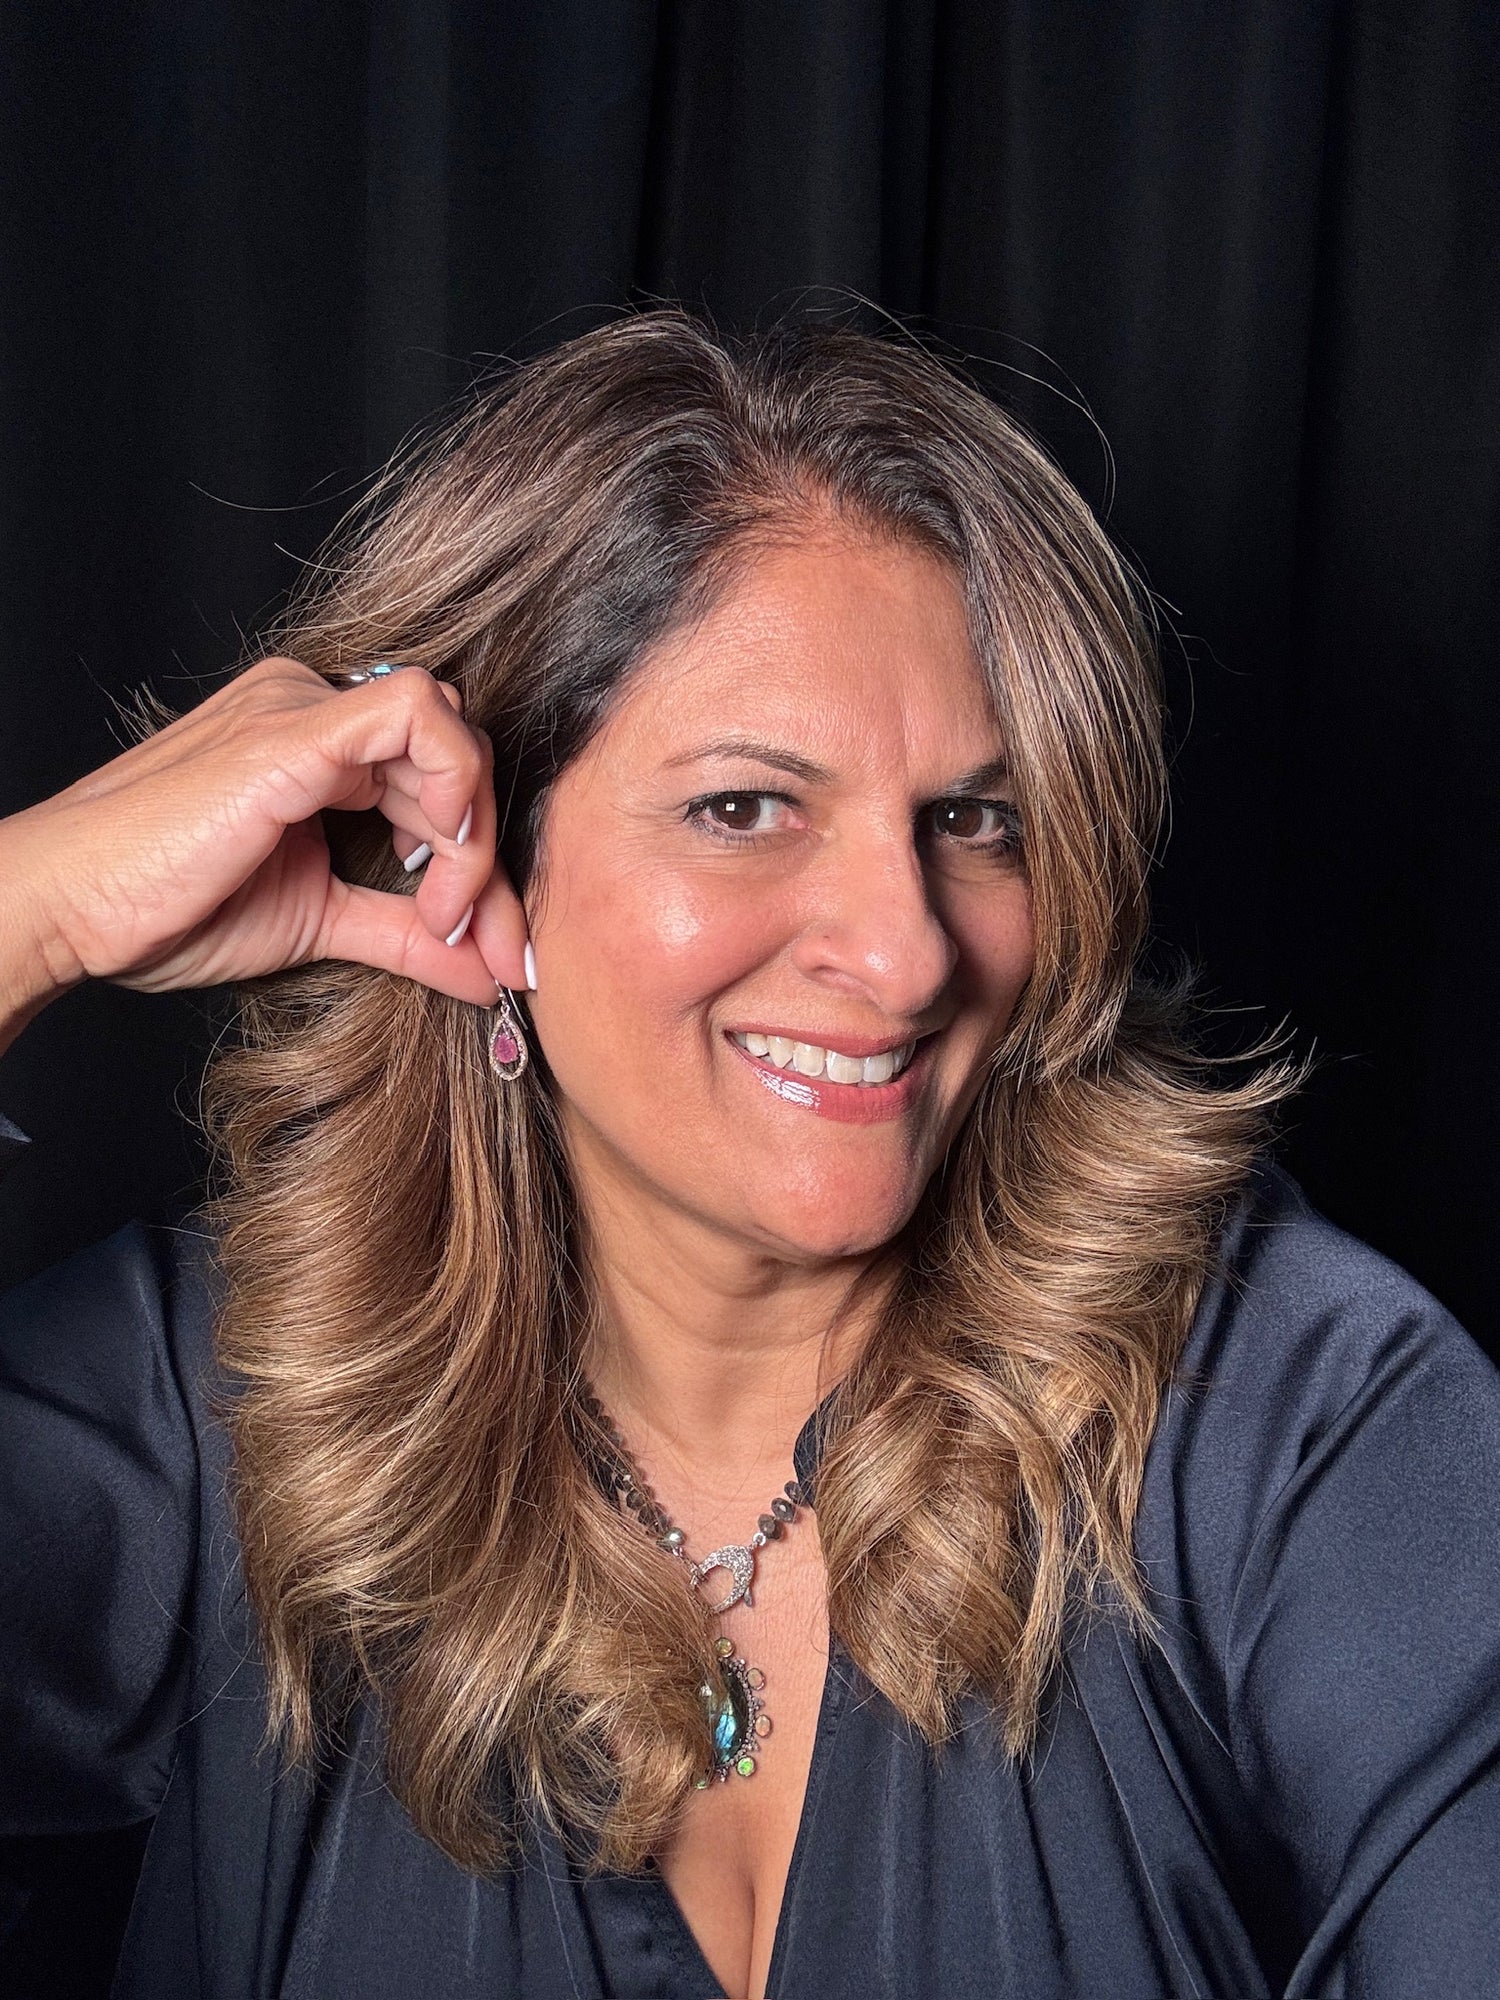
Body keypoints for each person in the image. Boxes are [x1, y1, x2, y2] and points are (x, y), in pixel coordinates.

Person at [0, 311, 1495, 2000]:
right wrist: (27, 911)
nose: (909, 951)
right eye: (746, 807)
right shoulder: (217, 1408)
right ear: (471, 859)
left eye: (973, 821)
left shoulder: (1294, 1413)